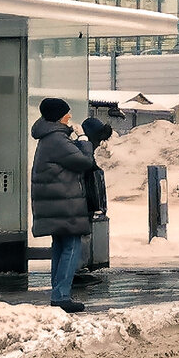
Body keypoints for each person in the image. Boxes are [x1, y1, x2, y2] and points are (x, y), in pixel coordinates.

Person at [30, 97, 96, 314]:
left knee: (60, 245)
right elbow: (85, 162)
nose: (70, 117)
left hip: (55, 201)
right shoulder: (57, 139)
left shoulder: (49, 138)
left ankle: (59, 293)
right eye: (67, 113)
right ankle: (61, 295)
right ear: (59, 116)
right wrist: (85, 141)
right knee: (71, 246)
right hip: (64, 201)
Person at [76, 118, 114, 278]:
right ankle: (78, 270)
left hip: (83, 201)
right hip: (81, 201)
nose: (100, 144)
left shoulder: (86, 150)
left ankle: (79, 268)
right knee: (81, 235)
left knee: (82, 234)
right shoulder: (84, 150)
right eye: (99, 139)